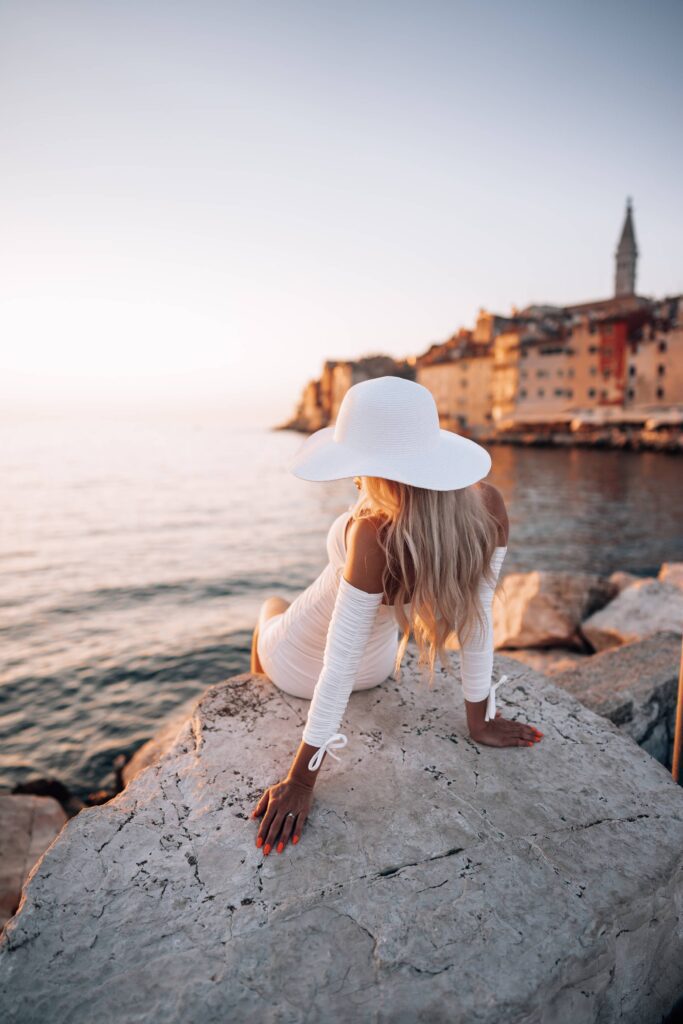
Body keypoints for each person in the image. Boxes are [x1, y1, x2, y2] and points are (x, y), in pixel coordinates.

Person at [249, 376, 543, 857]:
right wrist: (480, 720)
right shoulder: (486, 504)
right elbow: (478, 620)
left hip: (301, 664)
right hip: (381, 667)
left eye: (358, 466)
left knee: (270, 608)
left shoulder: (372, 530)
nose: (354, 479)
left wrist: (300, 780)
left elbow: (337, 663)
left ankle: (257, 692)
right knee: (283, 611)